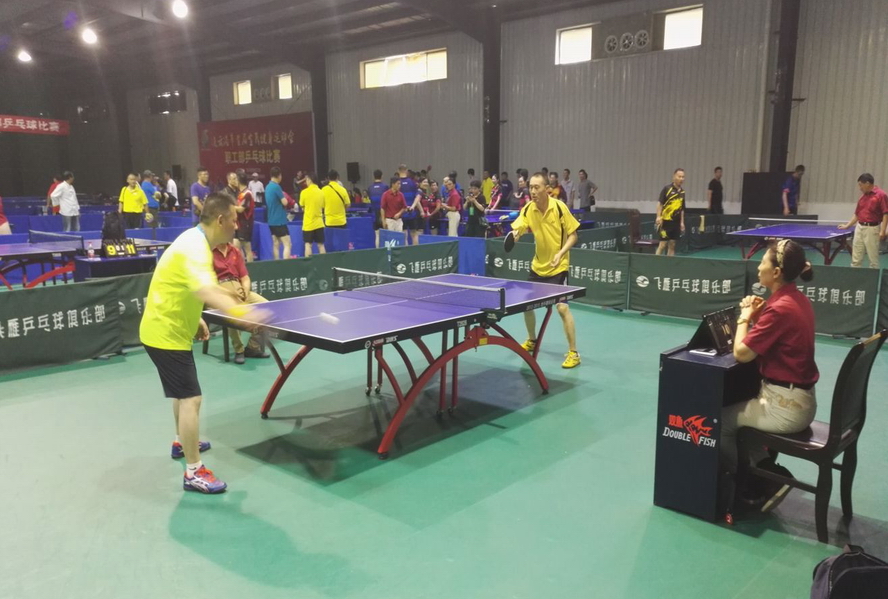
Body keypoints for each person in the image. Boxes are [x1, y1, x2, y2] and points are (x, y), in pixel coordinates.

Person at [140, 192, 269, 493]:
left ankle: (181, 442)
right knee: (191, 399)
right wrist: (244, 314)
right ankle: (194, 472)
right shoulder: (196, 248)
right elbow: (208, 292)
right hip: (165, 334)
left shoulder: (195, 241)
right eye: (234, 220)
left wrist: (196, 317)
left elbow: (183, 285)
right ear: (221, 220)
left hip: (167, 329)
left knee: (181, 394)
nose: (237, 225)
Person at [722, 239, 818, 512]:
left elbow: (741, 353)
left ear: (776, 272)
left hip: (785, 408)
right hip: (799, 400)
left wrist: (744, 316)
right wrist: (758, 315)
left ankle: (750, 483)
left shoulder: (780, 308)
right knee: (742, 415)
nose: (759, 266)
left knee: (719, 422)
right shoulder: (795, 300)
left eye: (763, 261)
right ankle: (767, 471)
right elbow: (777, 337)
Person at [510, 172, 581, 369]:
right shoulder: (528, 209)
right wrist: (515, 235)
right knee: (527, 306)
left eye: (537, 187)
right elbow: (519, 228)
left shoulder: (559, 207)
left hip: (558, 266)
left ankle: (574, 353)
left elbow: (573, 235)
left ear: (546, 189)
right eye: (530, 187)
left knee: (562, 308)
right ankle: (532, 340)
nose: (532, 191)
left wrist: (561, 253)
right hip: (538, 266)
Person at [212, 240, 270, 364]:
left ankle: (252, 347)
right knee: (233, 312)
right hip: (220, 292)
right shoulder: (207, 253)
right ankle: (239, 350)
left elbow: (245, 277)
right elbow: (209, 284)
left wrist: (245, 290)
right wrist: (230, 293)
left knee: (269, 307)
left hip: (240, 288)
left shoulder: (235, 251)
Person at [838, 173, 888, 269]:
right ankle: (855, 275)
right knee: (856, 257)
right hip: (859, 227)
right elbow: (857, 214)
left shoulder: (881, 195)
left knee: (873, 258)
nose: (860, 188)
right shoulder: (862, 197)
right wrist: (847, 225)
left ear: (867, 183)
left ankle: (873, 276)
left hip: (872, 229)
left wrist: (882, 230)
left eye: (861, 185)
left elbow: (886, 213)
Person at [655, 168, 686, 256]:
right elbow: (660, 203)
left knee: (672, 245)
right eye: (679, 176)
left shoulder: (682, 192)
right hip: (665, 221)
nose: (681, 179)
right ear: (674, 177)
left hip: (676, 222)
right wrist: (658, 216)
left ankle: (669, 263)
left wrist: (682, 222)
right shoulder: (667, 189)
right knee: (662, 245)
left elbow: (682, 209)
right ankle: (655, 262)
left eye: (683, 177)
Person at [265, 166, 291, 260]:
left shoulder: (267, 187)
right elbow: (285, 202)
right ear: (279, 176)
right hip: (279, 221)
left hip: (271, 221)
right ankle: (286, 265)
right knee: (287, 244)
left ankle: (276, 264)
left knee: (276, 244)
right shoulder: (276, 187)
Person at [299, 172, 325, 256]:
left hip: (308, 224)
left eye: (306, 180)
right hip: (319, 223)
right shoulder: (321, 192)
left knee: (308, 245)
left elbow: (302, 206)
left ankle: (308, 263)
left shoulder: (304, 192)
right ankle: (324, 262)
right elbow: (323, 206)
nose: (306, 182)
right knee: (321, 245)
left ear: (310, 180)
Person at [234, 172, 255, 262]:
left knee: (247, 249)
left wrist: (229, 206)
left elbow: (240, 209)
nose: (234, 181)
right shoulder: (240, 193)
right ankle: (241, 268)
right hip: (238, 223)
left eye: (235, 179)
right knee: (236, 247)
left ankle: (251, 268)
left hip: (245, 223)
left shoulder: (247, 194)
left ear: (238, 181)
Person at [367, 169, 389, 246]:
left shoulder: (370, 188)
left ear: (374, 176)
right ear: (382, 176)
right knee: (386, 234)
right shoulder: (385, 187)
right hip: (384, 214)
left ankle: (378, 250)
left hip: (374, 214)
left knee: (377, 234)